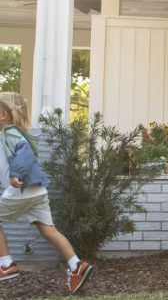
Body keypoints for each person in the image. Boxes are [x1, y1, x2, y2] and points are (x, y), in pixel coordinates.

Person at [0, 93, 93, 294]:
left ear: (3, 115)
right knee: (48, 230)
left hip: (21, 190)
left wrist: (15, 174)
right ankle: (77, 266)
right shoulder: (12, 134)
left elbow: (24, 152)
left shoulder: (9, 133)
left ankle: (6, 264)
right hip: (37, 192)